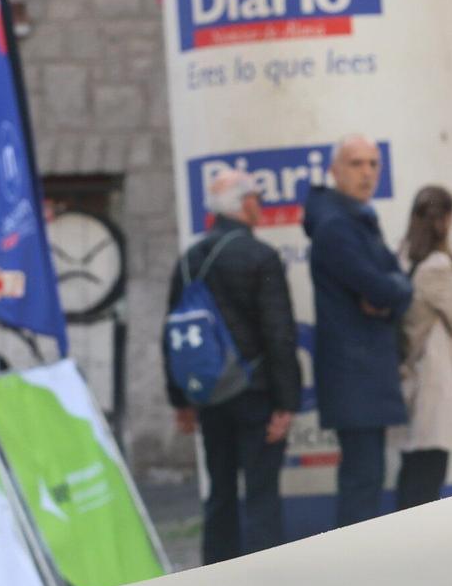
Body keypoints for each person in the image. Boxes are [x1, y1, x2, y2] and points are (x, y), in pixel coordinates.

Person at [167, 167, 301, 563]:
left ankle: (215, 577)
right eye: (257, 198)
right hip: (255, 392)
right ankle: (267, 583)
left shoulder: (190, 259)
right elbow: (279, 333)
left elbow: (172, 332)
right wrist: (286, 401)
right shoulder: (260, 256)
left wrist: (181, 400)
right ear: (244, 205)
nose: (260, 205)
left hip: (210, 394)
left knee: (220, 491)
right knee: (261, 492)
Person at [305, 135, 413, 527]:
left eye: (373, 164)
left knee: (366, 476)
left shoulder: (359, 218)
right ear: (335, 171)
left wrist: (391, 293)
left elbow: (399, 286)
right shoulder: (336, 226)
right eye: (356, 163)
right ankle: (352, 573)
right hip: (354, 371)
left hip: (365, 369)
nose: (367, 172)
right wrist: (389, 293)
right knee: (361, 481)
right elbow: (383, 286)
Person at [393, 186, 452, 509]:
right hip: (433, 375)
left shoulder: (403, 254)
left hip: (412, 371)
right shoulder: (438, 265)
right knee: (430, 466)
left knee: (415, 464)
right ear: (446, 219)